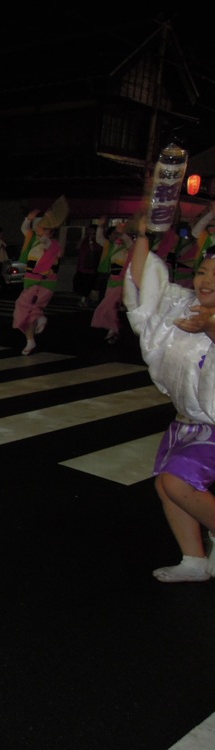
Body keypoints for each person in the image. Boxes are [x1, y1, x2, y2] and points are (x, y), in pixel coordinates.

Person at [123, 212, 215, 583]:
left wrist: (210, 325)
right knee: (166, 485)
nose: (206, 281)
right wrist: (144, 236)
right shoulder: (182, 304)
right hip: (184, 422)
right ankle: (193, 560)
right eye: (203, 272)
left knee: (177, 482)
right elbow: (146, 286)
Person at [13, 195, 68, 355]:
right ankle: (31, 338)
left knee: (27, 310)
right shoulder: (33, 241)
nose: (40, 230)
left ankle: (35, 329)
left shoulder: (53, 245)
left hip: (44, 283)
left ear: (51, 232)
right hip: (30, 281)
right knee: (26, 312)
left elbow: (44, 239)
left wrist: (43, 221)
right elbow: (25, 230)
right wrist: (28, 219)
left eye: (45, 228)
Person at [90, 217, 131, 344]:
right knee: (110, 306)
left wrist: (122, 233)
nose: (115, 236)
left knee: (110, 305)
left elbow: (130, 243)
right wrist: (100, 226)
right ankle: (113, 329)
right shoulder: (111, 246)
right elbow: (99, 239)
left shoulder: (128, 247)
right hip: (112, 280)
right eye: (114, 234)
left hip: (123, 281)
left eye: (117, 234)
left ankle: (114, 329)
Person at [72, 222, 103, 308]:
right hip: (81, 267)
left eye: (92, 231)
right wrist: (84, 237)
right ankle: (85, 299)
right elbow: (77, 247)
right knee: (79, 283)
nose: (90, 232)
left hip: (91, 268)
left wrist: (91, 241)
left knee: (88, 285)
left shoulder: (98, 241)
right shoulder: (85, 240)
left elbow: (94, 251)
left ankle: (85, 300)